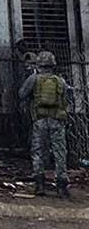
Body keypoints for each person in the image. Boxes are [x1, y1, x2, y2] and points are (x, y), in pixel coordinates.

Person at [18, 50, 71, 198]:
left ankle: (40, 183)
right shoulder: (60, 81)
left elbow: (21, 94)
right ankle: (61, 185)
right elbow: (66, 99)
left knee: (38, 151)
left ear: (39, 64)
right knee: (60, 152)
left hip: (40, 120)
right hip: (57, 120)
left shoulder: (34, 78)